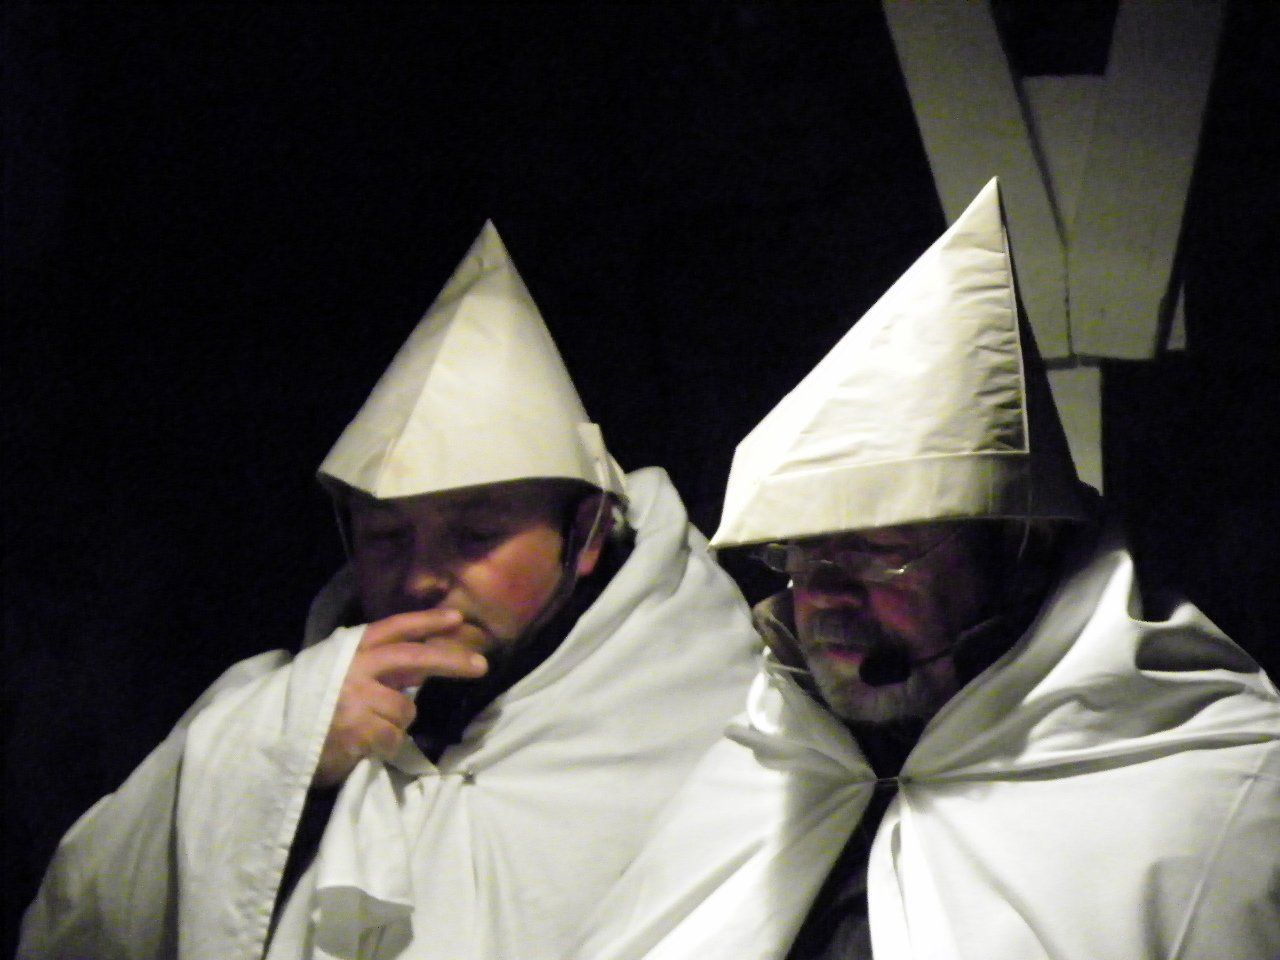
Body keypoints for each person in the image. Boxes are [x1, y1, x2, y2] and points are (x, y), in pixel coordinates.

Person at [569, 179, 1280, 960]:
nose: (822, 593)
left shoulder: (1205, 796)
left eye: (875, 548)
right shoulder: (765, 765)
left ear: (1020, 548)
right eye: (798, 549)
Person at [19, 223, 760, 960]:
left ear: (587, 533)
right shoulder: (269, 707)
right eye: (385, 537)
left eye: (476, 535)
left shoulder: (708, 706)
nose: (420, 576)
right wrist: (285, 758)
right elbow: (76, 926)